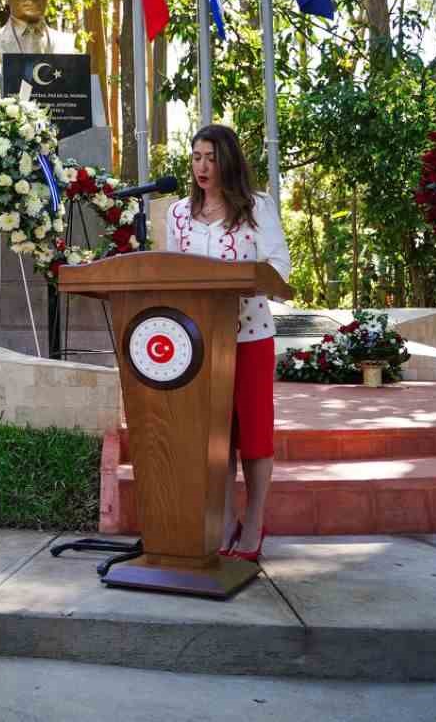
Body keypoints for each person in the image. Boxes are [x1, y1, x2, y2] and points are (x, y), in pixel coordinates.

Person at [165, 124, 290, 562]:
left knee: (253, 436)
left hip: (250, 336)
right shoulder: (178, 213)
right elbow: (169, 275)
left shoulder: (258, 208)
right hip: (198, 342)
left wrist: (243, 285)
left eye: (211, 158)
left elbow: (279, 268)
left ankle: (254, 522)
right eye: (196, 157)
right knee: (215, 436)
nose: (202, 166)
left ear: (228, 161)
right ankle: (223, 519)